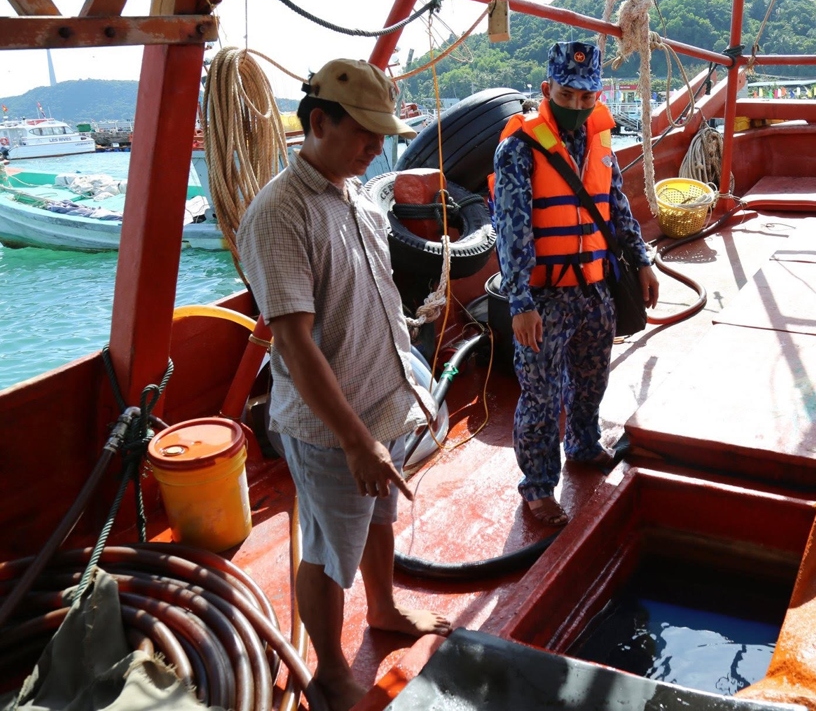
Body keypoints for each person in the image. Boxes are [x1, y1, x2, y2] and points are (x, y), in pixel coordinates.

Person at [238, 58, 451, 710]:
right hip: (333, 428)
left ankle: (383, 606)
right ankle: (330, 668)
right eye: (365, 133)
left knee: (379, 514)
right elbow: (295, 346)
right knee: (330, 549)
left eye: (382, 135)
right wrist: (357, 442)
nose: (377, 147)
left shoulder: (352, 189)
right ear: (319, 122)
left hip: (380, 404)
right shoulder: (281, 214)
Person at [492, 41, 659, 527]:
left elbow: (617, 205)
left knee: (591, 380)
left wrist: (640, 259)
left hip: (594, 287)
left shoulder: (600, 140)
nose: (578, 106)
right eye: (567, 96)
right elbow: (512, 228)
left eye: (587, 98)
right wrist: (520, 302)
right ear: (548, 89)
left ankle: (583, 444)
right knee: (540, 396)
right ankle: (539, 486)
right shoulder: (518, 150)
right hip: (543, 298)